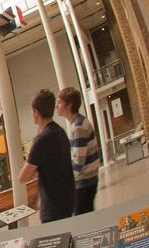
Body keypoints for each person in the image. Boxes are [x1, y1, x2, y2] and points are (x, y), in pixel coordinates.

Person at [19, 89, 76, 223]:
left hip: (53, 207)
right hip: (67, 200)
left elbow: (23, 177)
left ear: (36, 112)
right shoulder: (59, 132)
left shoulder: (42, 139)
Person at [57, 87, 100, 215]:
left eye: (59, 102)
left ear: (69, 104)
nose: (56, 106)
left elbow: (78, 162)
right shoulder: (78, 123)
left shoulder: (78, 126)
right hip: (87, 181)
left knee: (82, 219)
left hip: (85, 184)